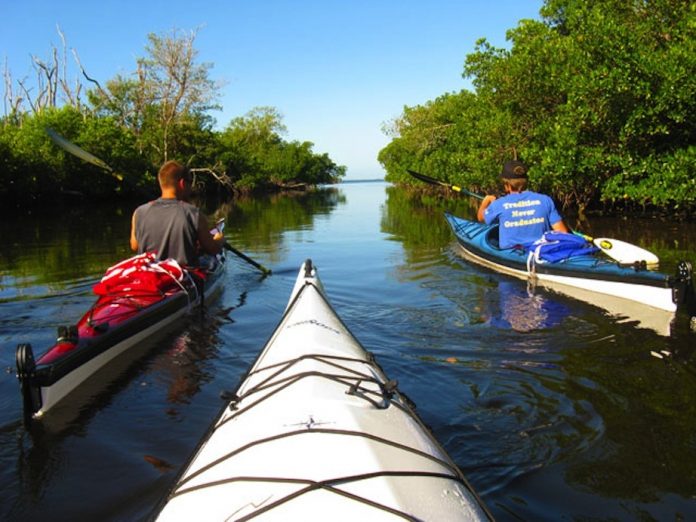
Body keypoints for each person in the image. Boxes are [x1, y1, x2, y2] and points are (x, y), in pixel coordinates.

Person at [130, 160, 224, 266]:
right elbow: (213, 249)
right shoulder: (194, 214)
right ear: (182, 183)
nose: (191, 187)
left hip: (148, 274)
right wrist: (219, 239)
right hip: (182, 277)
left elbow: (134, 246)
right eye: (190, 182)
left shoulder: (139, 212)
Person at [477, 160, 569, 249]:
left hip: (513, 255)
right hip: (541, 251)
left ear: (507, 185)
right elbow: (562, 232)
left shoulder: (498, 204)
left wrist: (486, 201)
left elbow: (481, 217)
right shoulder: (545, 200)